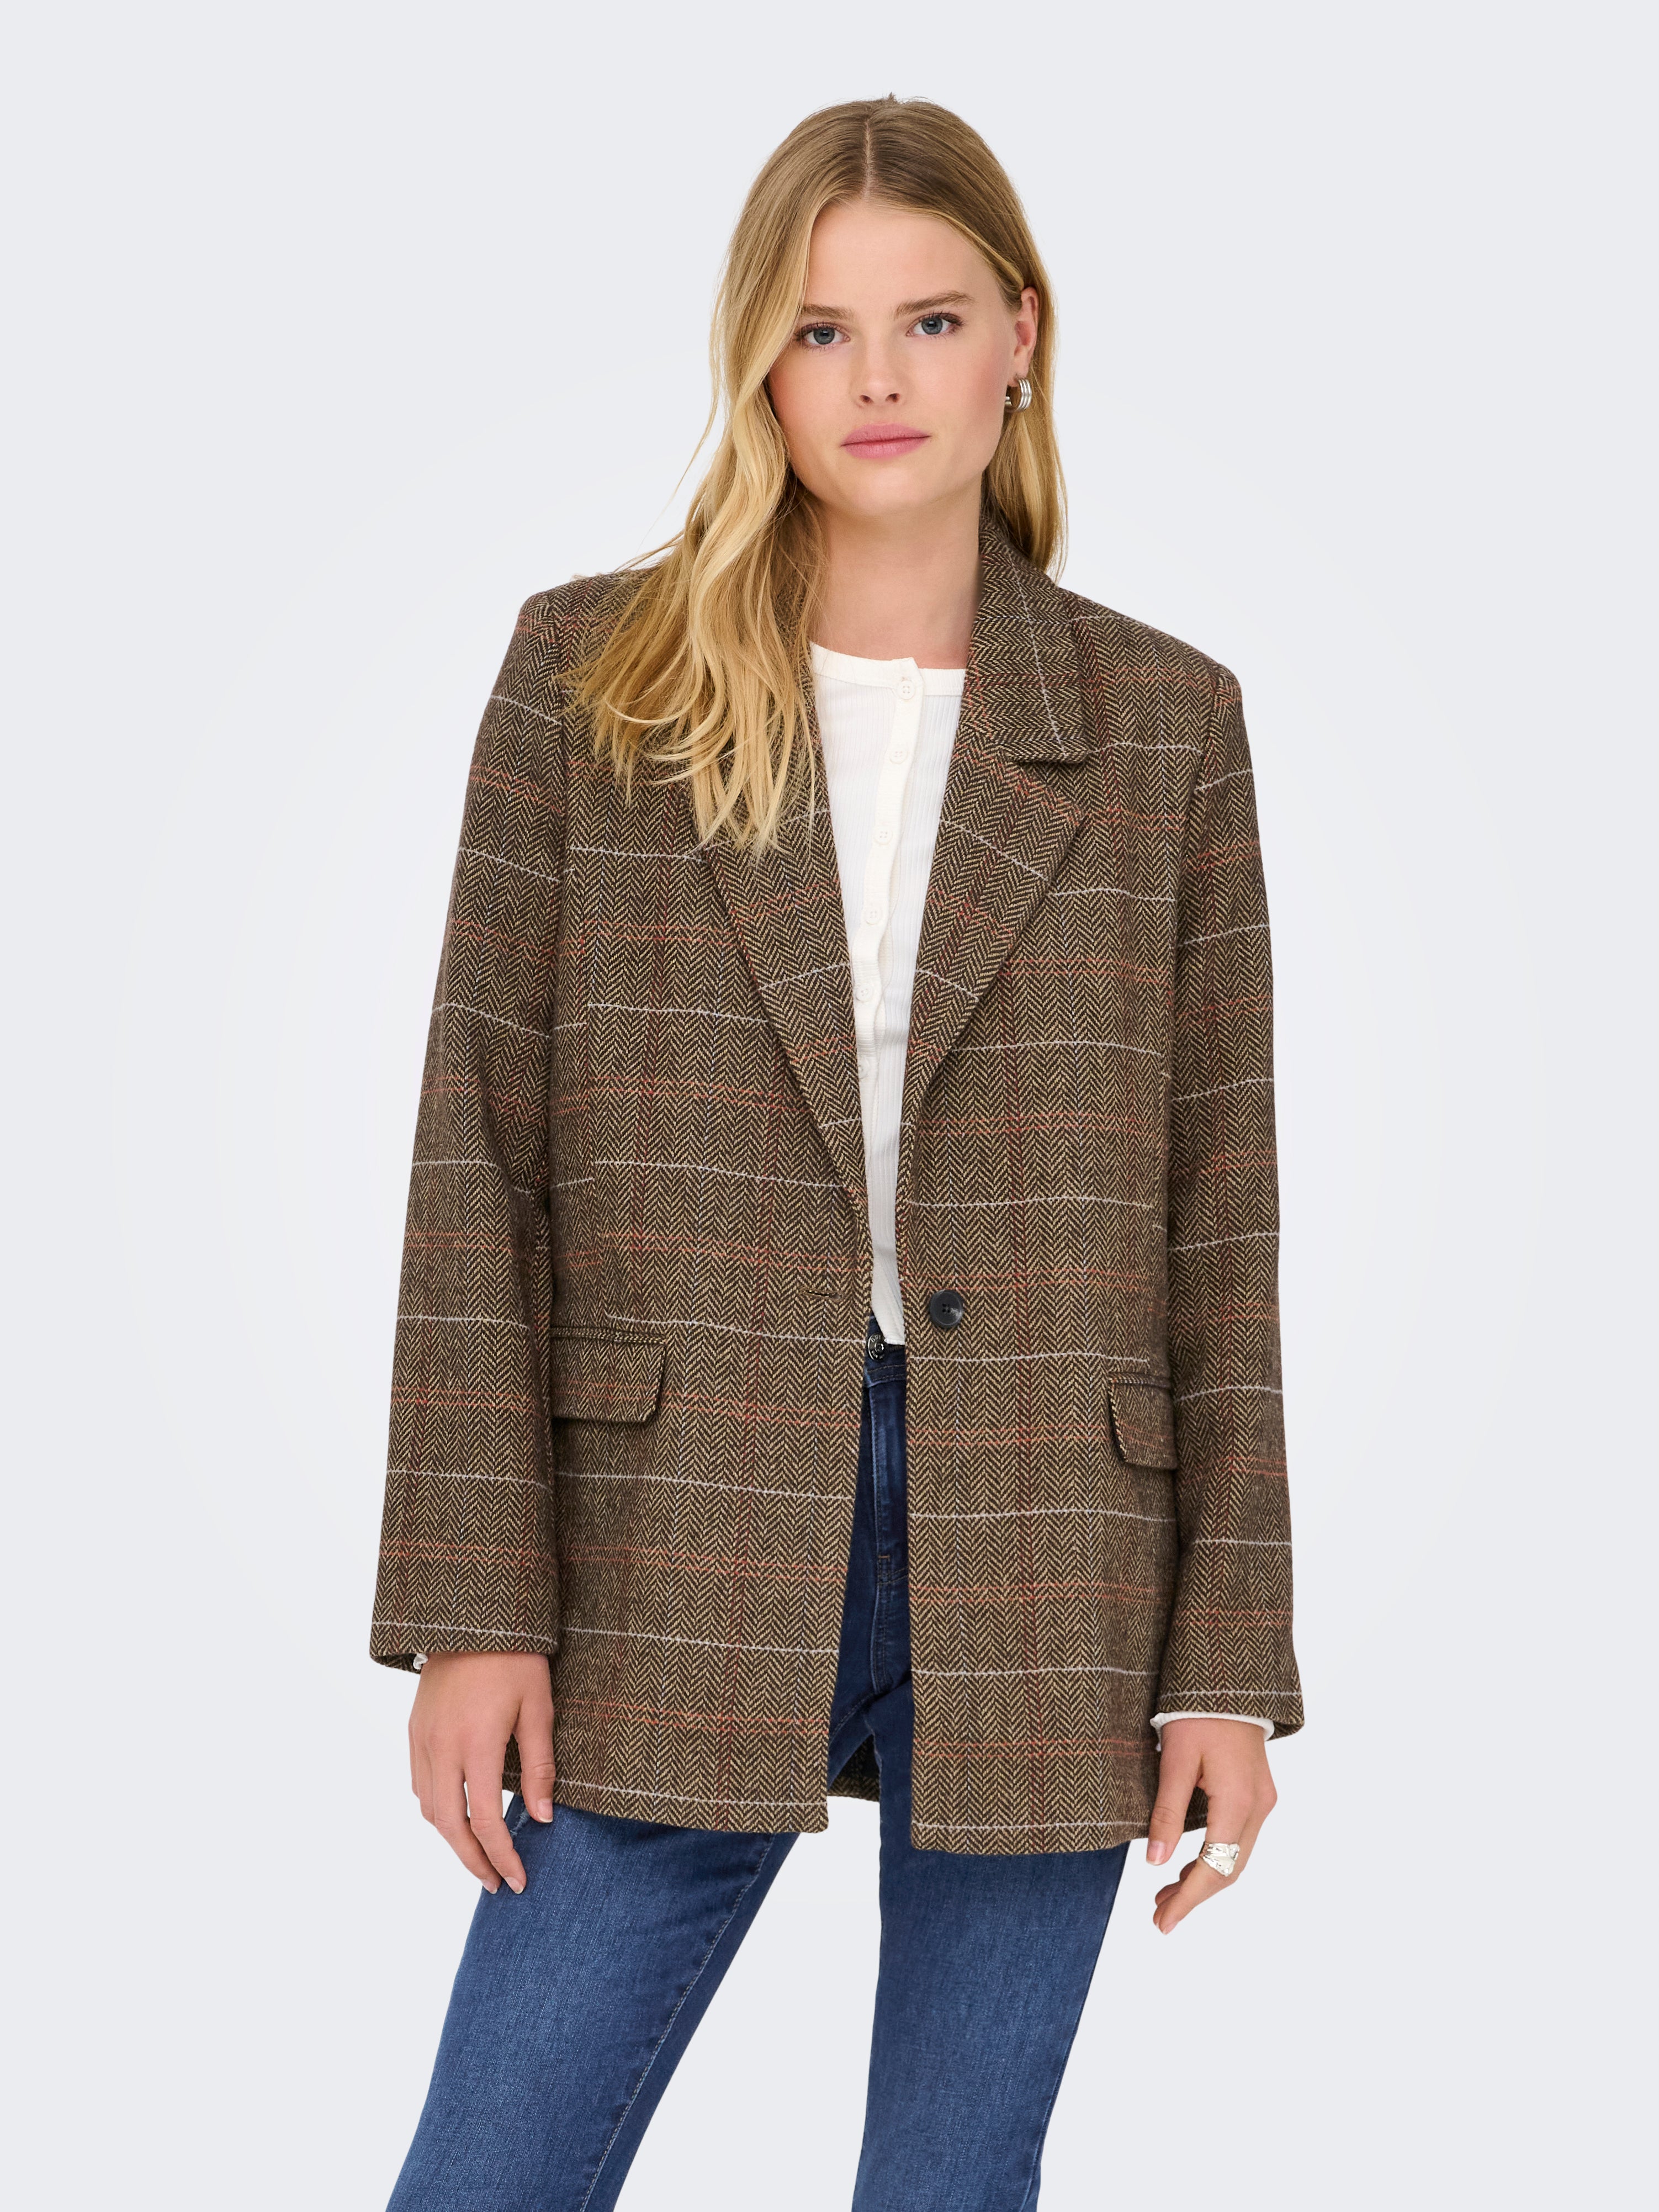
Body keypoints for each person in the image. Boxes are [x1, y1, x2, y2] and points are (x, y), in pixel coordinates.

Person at [371, 94, 1303, 2212]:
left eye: (930, 319)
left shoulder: (1166, 723)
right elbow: (477, 1159)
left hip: (1051, 1540)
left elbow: (1220, 1217)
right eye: (820, 330)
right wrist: (469, 1607)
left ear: (1020, 339)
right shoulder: (594, 680)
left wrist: (1227, 1665)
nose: (878, 378)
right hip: (671, 1521)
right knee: (489, 2173)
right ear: (759, 365)